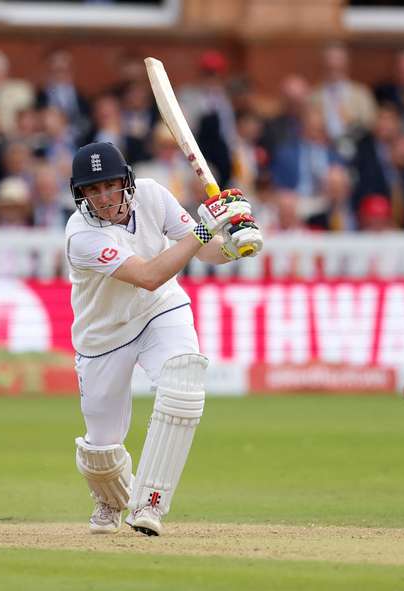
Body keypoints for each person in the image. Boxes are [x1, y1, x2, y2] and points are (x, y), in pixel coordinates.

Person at [65, 142, 262, 536]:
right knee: (101, 450)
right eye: (93, 190)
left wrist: (232, 238)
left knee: (184, 383)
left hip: (161, 309)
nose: (104, 197)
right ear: (81, 194)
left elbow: (205, 254)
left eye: (110, 185)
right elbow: (149, 274)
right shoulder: (80, 236)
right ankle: (109, 501)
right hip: (103, 335)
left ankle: (150, 504)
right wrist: (207, 225)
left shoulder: (153, 194)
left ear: (126, 181)